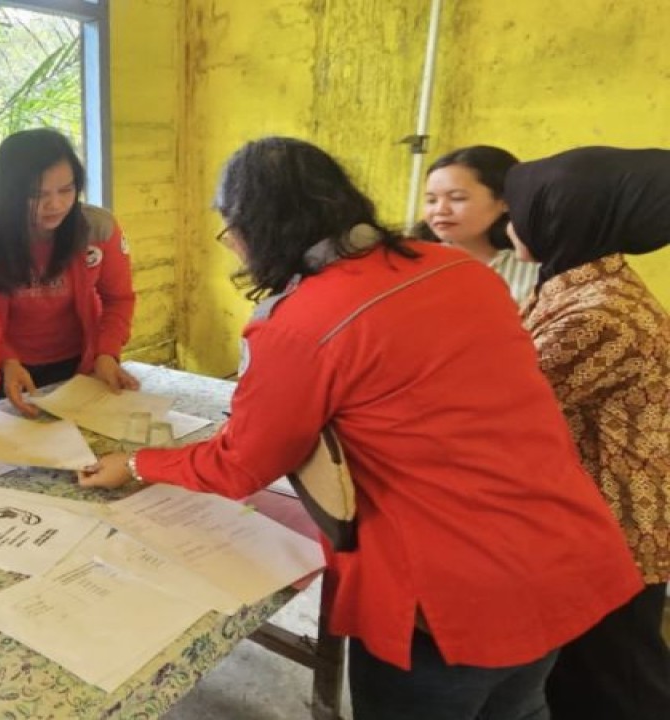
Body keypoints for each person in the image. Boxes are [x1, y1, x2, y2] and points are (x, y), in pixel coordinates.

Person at [79, 137, 643, 719]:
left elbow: (243, 462)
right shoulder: (459, 269)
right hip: (560, 550)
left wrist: (139, 463)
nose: (236, 249)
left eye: (231, 231)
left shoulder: (299, 324)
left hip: (452, 595)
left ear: (260, 227)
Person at [503, 146, 670, 720]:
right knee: (579, 668)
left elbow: (507, 402)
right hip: (587, 513)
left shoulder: (599, 314)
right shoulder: (569, 282)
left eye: (522, 213)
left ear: (562, 218)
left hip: (616, 524)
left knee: (614, 679)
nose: (510, 225)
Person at [0, 128, 137, 416]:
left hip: (81, 362)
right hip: (10, 365)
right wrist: (7, 361)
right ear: (8, 194)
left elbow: (119, 299)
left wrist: (106, 353)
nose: (56, 205)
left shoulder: (98, 227)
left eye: (67, 190)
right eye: (37, 195)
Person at [422, 145, 538, 303]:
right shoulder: (410, 264)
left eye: (457, 198)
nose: (440, 210)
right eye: (431, 200)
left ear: (504, 201)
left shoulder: (535, 270)